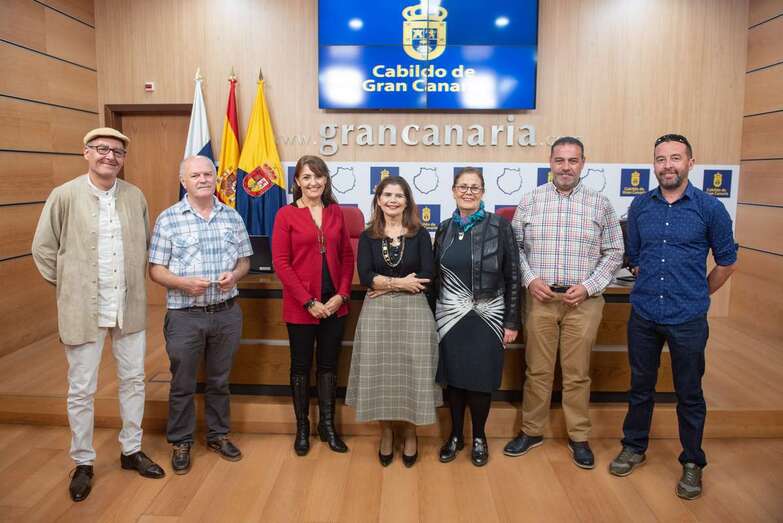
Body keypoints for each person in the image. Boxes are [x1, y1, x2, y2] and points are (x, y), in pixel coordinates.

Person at [31, 127, 165, 502]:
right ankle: (84, 461)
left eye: (118, 152)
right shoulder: (64, 196)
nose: (110, 157)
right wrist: (70, 287)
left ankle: (131, 450)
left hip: (129, 307)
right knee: (81, 388)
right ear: (86, 153)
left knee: (134, 379)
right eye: (102, 150)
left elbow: (144, 242)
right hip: (83, 310)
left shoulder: (135, 196)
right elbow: (43, 249)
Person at [609, 134, 737, 500]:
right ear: (654, 165)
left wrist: (699, 293)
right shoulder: (640, 206)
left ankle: (692, 462)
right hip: (645, 314)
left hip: (688, 318)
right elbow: (634, 257)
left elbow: (727, 262)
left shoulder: (710, 208)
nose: (668, 165)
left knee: (690, 393)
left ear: (690, 163)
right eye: (661, 159)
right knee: (640, 387)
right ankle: (634, 447)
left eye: (675, 158)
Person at [504, 136, 623, 469]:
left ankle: (579, 437)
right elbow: (514, 250)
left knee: (577, 374)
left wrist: (588, 286)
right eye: (560, 160)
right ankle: (531, 431)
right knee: (538, 371)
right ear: (550, 163)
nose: (566, 167)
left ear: (583, 163)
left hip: (582, 302)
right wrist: (530, 280)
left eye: (573, 161)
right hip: (540, 299)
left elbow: (615, 252)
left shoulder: (601, 204)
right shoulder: (530, 201)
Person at [148, 155, 252, 474]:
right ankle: (181, 441)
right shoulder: (169, 219)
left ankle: (218, 436)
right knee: (183, 382)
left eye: (208, 174)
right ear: (184, 182)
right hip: (185, 316)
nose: (204, 179)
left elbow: (245, 261)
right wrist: (181, 283)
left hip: (225, 313)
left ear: (216, 178)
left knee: (220, 381)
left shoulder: (231, 216)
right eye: (196, 175)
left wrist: (234, 276)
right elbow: (155, 270)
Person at [345, 175, 441, 467]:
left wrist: (384, 283)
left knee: (415, 371)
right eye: (387, 194)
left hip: (414, 312)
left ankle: (411, 431)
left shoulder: (420, 234)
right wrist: (399, 284)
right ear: (378, 200)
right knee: (380, 372)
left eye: (399, 195)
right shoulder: (368, 236)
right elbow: (366, 275)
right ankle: (386, 431)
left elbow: (427, 275)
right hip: (378, 314)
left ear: (407, 201)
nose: (392, 200)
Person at [433, 167, 521, 467]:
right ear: (454, 190)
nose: (468, 192)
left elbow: (513, 275)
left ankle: (479, 437)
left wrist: (511, 321)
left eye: (474, 187)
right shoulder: (443, 229)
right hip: (449, 317)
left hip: (488, 316)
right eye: (463, 187)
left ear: (482, 192)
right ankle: (455, 436)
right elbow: (435, 277)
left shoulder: (500, 227)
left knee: (480, 380)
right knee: (454, 380)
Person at [271, 155, 355, 456]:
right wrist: (308, 301)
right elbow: (281, 263)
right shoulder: (285, 215)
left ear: (326, 179)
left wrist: (341, 295)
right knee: (301, 366)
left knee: (329, 366)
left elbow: (347, 257)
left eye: (318, 176)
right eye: (306, 177)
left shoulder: (336, 213)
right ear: (297, 181)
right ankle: (303, 428)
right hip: (301, 306)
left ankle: (328, 427)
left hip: (335, 305)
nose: (313, 182)